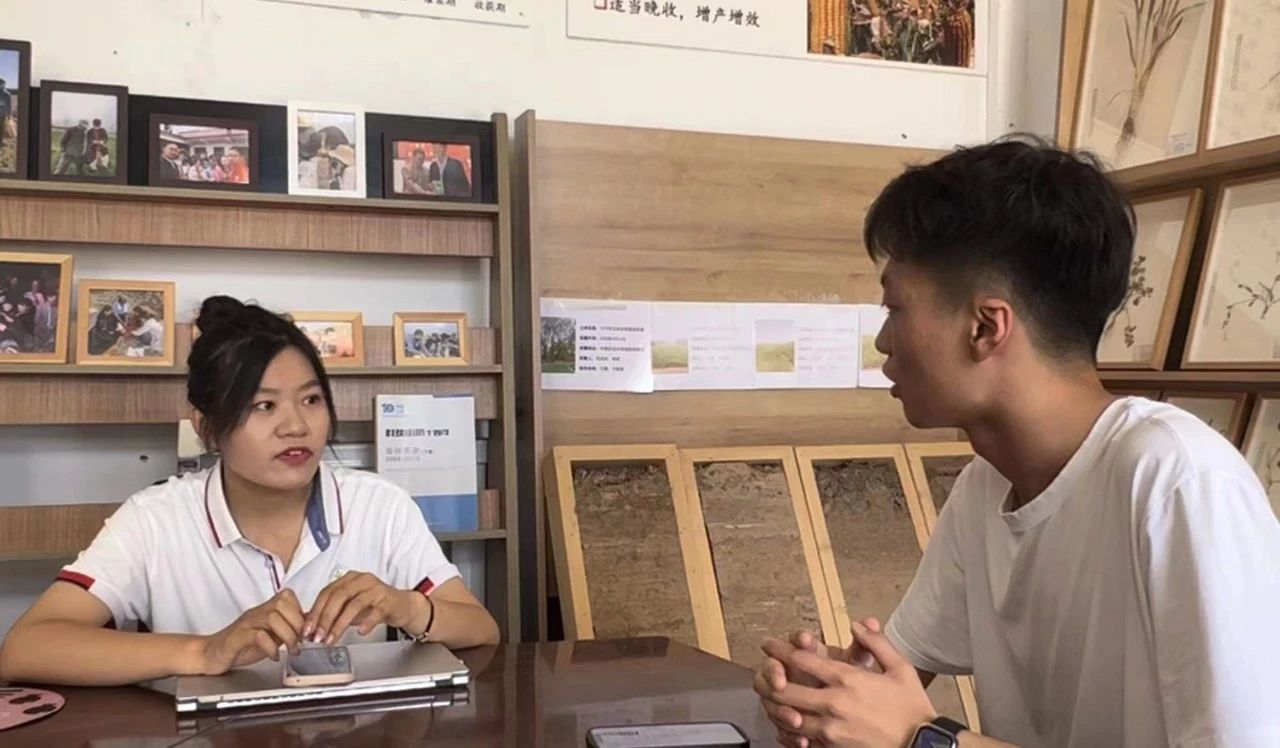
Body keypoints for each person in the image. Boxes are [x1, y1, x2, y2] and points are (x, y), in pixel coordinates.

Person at [754, 138, 1280, 748]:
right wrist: (824, 694)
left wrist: (927, 740)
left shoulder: (1178, 479)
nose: (883, 342)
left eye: (894, 308)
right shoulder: (987, 484)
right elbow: (894, 673)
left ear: (985, 327)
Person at [0, 296, 499, 686]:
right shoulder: (155, 519)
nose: (296, 426)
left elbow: (481, 628)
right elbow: (26, 648)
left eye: (311, 400)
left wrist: (408, 607)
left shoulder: (379, 505)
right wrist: (206, 651)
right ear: (207, 427)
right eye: (264, 406)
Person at [0, 78, 11, 148]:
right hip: (2, 113)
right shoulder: (6, 94)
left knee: (1, 128)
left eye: (1, 83)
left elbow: (9, 105)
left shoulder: (7, 94)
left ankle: (0, 141)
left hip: (2, 114)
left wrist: (9, 114)